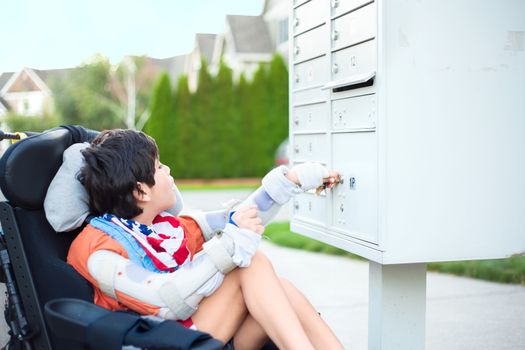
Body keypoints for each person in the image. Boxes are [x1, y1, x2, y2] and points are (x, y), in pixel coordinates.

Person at [61, 129, 343, 350]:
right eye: (159, 167)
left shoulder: (166, 228)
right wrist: (229, 247)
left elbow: (240, 217)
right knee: (251, 265)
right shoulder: (96, 246)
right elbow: (165, 298)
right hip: (158, 342)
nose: (168, 170)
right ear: (141, 192)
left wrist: (293, 179)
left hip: (201, 335)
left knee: (279, 288)